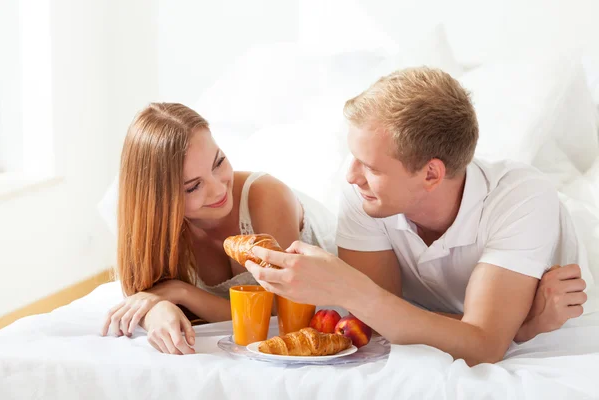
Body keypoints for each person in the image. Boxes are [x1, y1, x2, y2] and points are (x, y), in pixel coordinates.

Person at [245, 67, 589, 366]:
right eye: (354, 158)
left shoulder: (520, 198)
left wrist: (350, 289)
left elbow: (483, 348)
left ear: (431, 175)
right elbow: (378, 323)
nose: (352, 176)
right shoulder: (365, 193)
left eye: (370, 166)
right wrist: (520, 325)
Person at [100, 103, 334, 355]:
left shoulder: (267, 197)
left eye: (218, 162)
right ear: (159, 200)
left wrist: (181, 292)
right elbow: (143, 298)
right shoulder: (152, 230)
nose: (218, 189)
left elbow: (276, 316)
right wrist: (157, 309)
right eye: (193, 187)